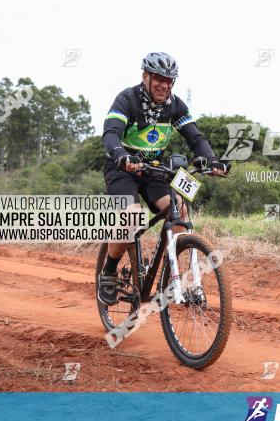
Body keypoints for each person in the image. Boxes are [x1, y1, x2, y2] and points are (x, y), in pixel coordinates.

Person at [98, 52, 229, 305]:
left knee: (179, 211)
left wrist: (210, 160)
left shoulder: (175, 105)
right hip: (122, 169)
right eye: (159, 78)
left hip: (154, 170)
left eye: (170, 80)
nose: (164, 85)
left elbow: (195, 138)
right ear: (145, 76)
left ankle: (177, 277)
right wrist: (121, 154)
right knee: (131, 218)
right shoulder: (127, 99)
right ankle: (110, 271)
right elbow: (111, 134)